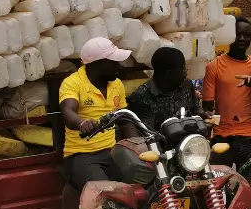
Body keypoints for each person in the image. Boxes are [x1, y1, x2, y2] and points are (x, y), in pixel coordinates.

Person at [202, 18, 251, 209]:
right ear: (229, 36)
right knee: (216, 192)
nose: (242, 39)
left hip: (249, 139)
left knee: (246, 192)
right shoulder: (214, 66)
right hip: (221, 140)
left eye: (247, 35)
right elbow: (208, 108)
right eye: (238, 35)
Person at [59, 37, 131, 190]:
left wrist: (138, 146)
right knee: (107, 192)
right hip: (80, 155)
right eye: (113, 62)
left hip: (111, 152)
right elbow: (68, 112)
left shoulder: (117, 84)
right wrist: (82, 123)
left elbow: (125, 119)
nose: (119, 65)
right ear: (98, 63)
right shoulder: (72, 83)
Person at [128, 46, 200, 130]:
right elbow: (148, 133)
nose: (185, 74)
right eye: (183, 70)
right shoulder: (141, 97)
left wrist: (203, 115)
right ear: (168, 73)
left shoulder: (187, 86)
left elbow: (195, 112)